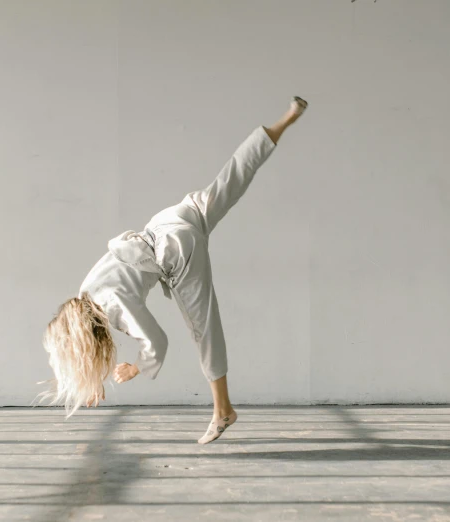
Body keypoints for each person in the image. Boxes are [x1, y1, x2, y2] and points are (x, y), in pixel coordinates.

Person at [42, 97, 308, 444]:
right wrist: (93, 381)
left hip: (175, 251)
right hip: (170, 218)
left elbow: (157, 342)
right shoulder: (85, 291)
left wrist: (136, 367)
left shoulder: (115, 308)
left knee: (204, 331)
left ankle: (223, 409)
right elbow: (75, 344)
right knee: (231, 178)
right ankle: (285, 120)